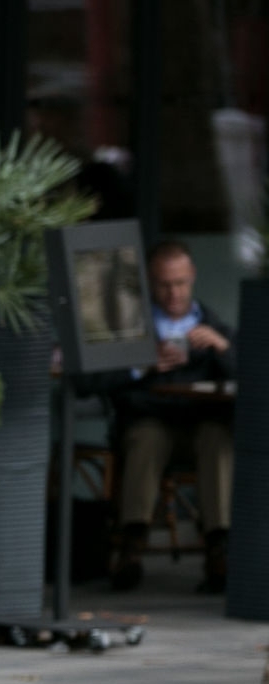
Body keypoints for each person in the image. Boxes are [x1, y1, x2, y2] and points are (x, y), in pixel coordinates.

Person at [105, 240, 235, 593]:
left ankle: (219, 550)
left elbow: (248, 378)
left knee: (218, 437)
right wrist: (141, 366)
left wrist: (223, 349)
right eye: (164, 284)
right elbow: (100, 382)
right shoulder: (133, 328)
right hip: (151, 423)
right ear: (150, 281)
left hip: (200, 428)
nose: (174, 293)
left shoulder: (215, 326)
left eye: (180, 283)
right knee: (146, 437)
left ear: (192, 277)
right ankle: (131, 547)